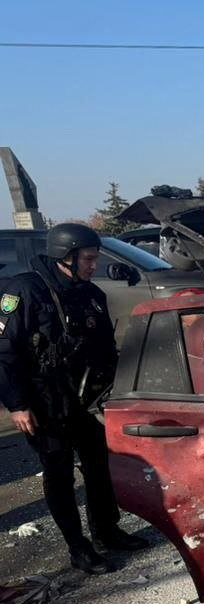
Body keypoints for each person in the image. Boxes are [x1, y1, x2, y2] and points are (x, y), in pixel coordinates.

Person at [0, 223, 146, 573]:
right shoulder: (25, 290)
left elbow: (105, 349)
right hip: (44, 403)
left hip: (85, 398)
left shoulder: (90, 294)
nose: (94, 265)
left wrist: (116, 390)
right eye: (88, 259)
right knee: (59, 474)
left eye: (95, 259)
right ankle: (78, 548)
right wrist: (18, 404)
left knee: (99, 466)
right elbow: (5, 352)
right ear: (65, 257)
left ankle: (106, 532)